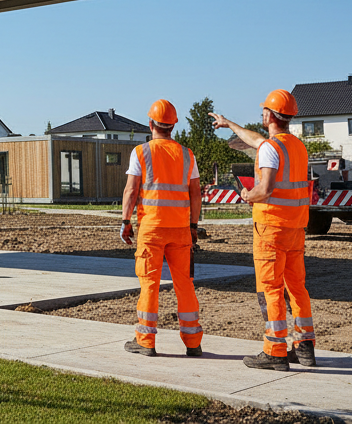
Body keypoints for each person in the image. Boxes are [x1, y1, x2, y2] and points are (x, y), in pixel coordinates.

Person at [210, 90, 315, 371]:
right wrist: (229, 124)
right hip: (295, 227)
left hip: (271, 228)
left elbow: (266, 188)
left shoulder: (271, 148)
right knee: (296, 286)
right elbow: (256, 140)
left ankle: (275, 351)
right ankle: (304, 347)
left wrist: (248, 194)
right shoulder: (296, 146)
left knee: (270, 288)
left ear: (268, 116)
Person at [120, 99, 203, 357]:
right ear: (173, 126)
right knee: (185, 285)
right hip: (180, 230)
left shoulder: (141, 152)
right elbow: (196, 195)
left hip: (151, 229)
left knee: (150, 285)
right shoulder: (187, 155)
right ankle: (193, 343)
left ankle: (146, 341)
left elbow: (132, 189)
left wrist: (125, 221)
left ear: (150, 124)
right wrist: (193, 226)